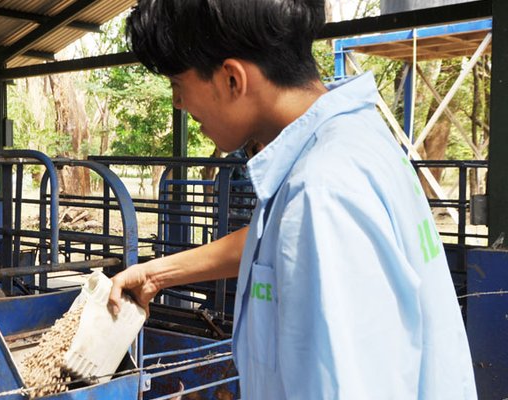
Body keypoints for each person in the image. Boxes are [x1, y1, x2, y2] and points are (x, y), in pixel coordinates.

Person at [107, 1, 477, 399]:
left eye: (178, 85)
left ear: (232, 79)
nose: (178, 103)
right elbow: (281, 241)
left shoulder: (322, 193)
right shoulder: (349, 142)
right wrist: (156, 275)